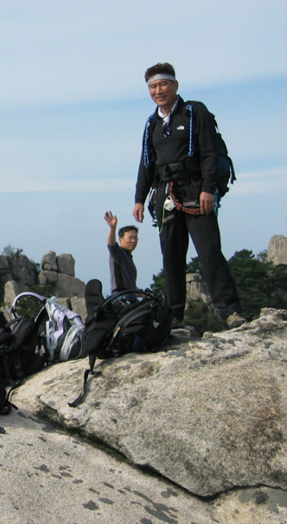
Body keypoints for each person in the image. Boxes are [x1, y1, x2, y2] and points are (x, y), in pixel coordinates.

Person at [132, 63, 246, 329]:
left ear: (175, 85)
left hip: (195, 191)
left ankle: (230, 311)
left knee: (209, 252)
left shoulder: (194, 113)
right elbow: (146, 164)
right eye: (152, 86)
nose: (158, 91)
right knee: (171, 257)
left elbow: (208, 152)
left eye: (163, 84)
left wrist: (208, 188)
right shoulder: (152, 124)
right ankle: (174, 316)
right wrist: (139, 198)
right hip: (165, 195)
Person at [104, 211, 138, 293]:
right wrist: (112, 228)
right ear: (120, 240)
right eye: (130, 238)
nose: (133, 241)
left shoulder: (129, 257)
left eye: (135, 238)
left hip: (131, 295)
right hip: (121, 296)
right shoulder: (118, 253)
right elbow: (111, 244)